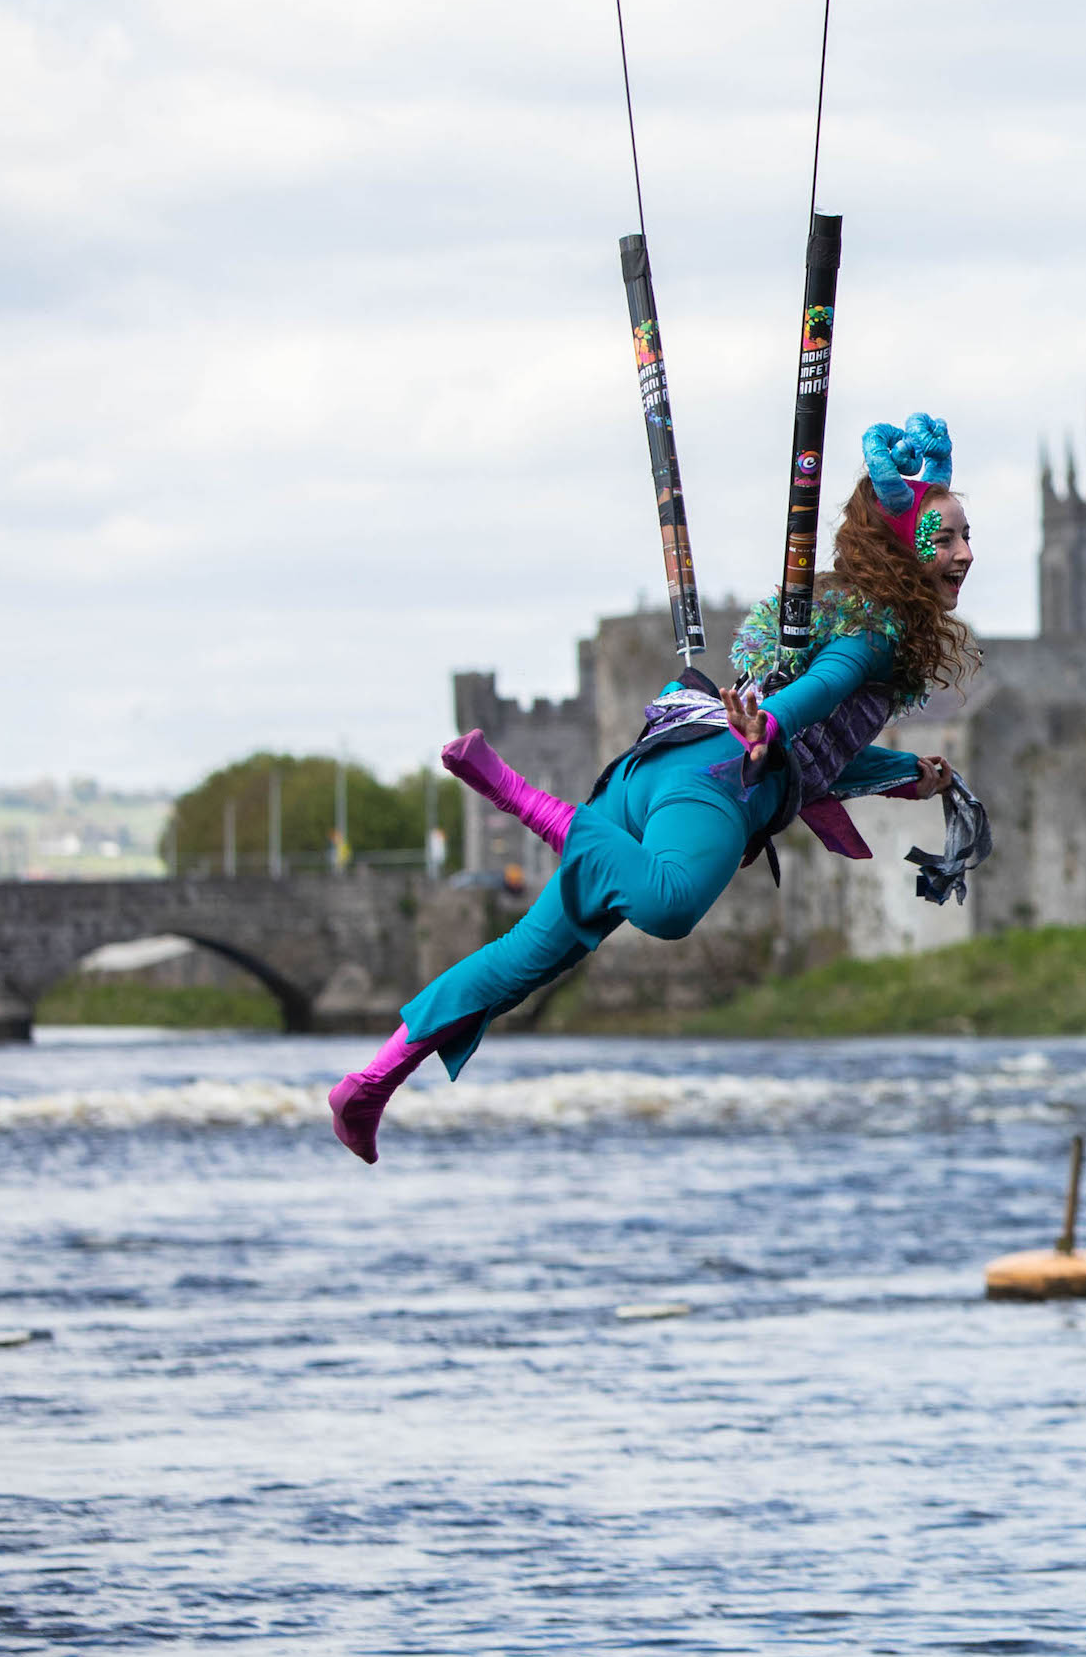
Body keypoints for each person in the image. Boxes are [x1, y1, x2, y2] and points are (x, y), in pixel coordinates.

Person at [326, 415, 982, 1162]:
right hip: (709, 790)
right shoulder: (873, 637)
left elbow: (812, 758)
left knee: (522, 961)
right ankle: (515, 791)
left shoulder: (852, 618)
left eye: (966, 535)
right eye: (946, 539)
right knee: (669, 906)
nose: (963, 553)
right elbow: (813, 699)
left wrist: (905, 776)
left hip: (657, 772)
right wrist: (768, 721)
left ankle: (370, 1083)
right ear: (902, 548)